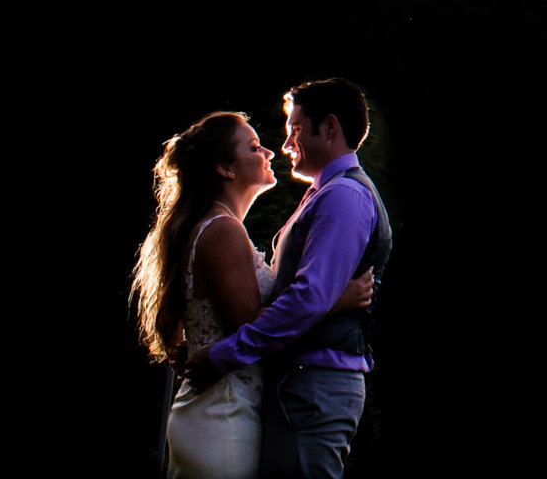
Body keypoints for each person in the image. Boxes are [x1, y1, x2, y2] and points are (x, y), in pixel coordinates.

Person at [132, 112, 374, 479]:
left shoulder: (216, 226)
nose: (269, 153)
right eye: (254, 146)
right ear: (225, 169)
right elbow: (253, 328)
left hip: (220, 407)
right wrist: (337, 300)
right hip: (224, 414)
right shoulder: (223, 230)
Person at [185, 80, 394, 479]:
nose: (284, 146)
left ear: (329, 127)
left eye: (295, 130)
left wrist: (223, 355)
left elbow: (309, 298)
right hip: (300, 386)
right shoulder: (325, 193)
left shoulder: (343, 196)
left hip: (316, 386)